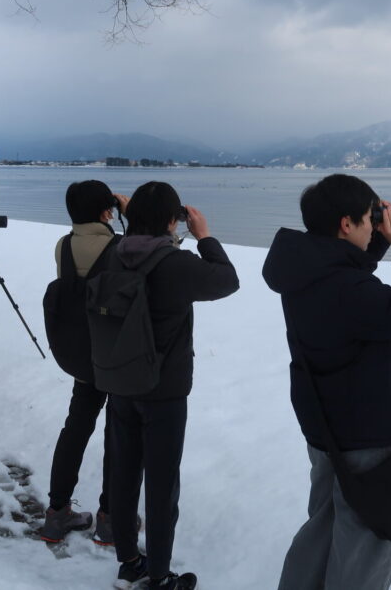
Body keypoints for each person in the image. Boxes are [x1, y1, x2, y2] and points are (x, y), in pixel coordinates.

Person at [261, 174, 391, 590]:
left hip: (324, 427)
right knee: (366, 542)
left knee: (323, 525)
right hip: (365, 436)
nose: (371, 224)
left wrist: (377, 228)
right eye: (367, 218)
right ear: (346, 225)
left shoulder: (304, 270)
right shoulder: (348, 290)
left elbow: (349, 262)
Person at [109, 181, 239, 590]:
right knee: (162, 485)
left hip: (119, 380)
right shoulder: (173, 264)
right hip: (163, 389)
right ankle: (160, 575)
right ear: (172, 219)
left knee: (124, 473)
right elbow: (227, 280)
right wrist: (205, 237)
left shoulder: (112, 255)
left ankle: (130, 560)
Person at [41, 180, 132, 544]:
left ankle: (56, 513)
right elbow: (156, 261)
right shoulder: (119, 246)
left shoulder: (63, 245)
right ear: (105, 209)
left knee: (76, 429)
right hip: (115, 355)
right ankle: (110, 519)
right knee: (118, 434)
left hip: (80, 355)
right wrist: (132, 219)